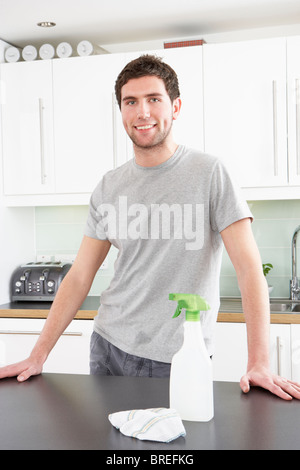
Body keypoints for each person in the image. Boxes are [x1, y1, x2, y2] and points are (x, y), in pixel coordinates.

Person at [0, 54, 299, 401]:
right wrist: (38, 355)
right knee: (113, 450)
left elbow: (249, 270)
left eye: (153, 99)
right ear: (122, 111)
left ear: (175, 106)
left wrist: (259, 362)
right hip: (108, 346)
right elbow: (80, 274)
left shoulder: (210, 173)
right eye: (131, 102)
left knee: (174, 454)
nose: (142, 112)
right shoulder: (109, 186)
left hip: (178, 358)